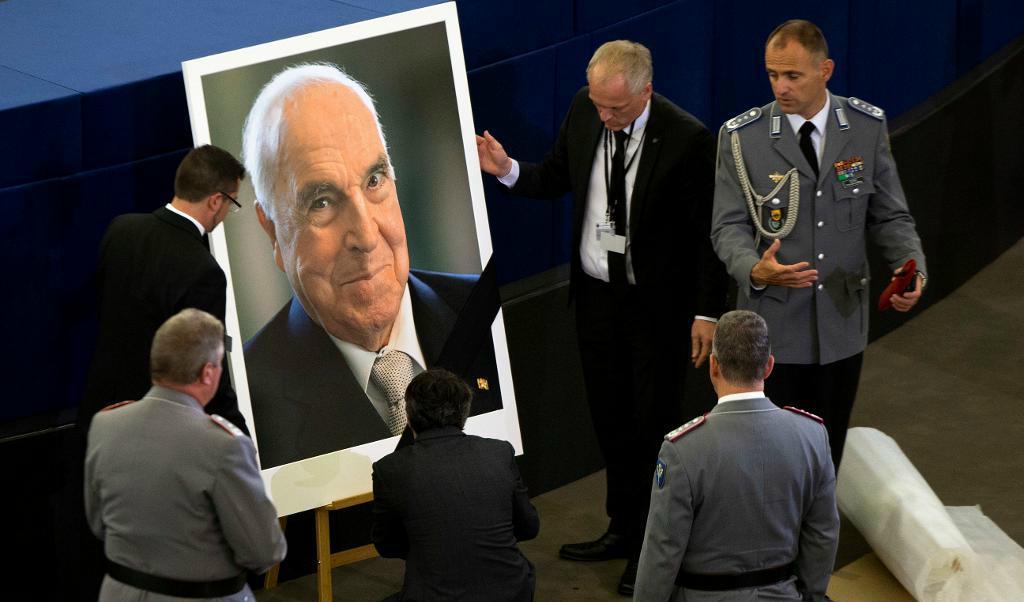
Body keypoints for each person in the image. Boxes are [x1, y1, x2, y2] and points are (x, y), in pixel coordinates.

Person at [476, 40, 728, 593]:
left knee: (654, 428)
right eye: (598, 105)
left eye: (616, 108)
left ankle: (653, 546)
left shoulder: (687, 139)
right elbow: (557, 176)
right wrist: (508, 170)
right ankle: (622, 526)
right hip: (595, 300)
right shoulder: (584, 111)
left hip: (656, 310)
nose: (605, 117)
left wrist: (708, 313)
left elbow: (710, 235)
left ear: (646, 91)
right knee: (611, 420)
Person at [241, 64, 502, 469]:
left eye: (375, 180)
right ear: (272, 231)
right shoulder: (248, 400)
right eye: (322, 202)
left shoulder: (487, 310)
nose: (365, 236)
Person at [711, 19, 928, 468]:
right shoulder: (742, 137)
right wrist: (753, 268)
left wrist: (912, 268)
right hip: (772, 328)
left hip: (841, 324)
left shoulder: (865, 128)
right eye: (772, 75)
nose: (780, 87)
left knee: (827, 456)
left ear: (825, 69)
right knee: (772, 460)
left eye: (793, 75)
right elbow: (727, 227)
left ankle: (817, 537)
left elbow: (890, 214)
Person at [66, 144, 249, 600]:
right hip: (155, 435)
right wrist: (238, 436)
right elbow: (203, 367)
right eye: (232, 204)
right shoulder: (203, 271)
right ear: (216, 201)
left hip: (97, 416)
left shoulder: (120, 231)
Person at [634, 310, 838, 601]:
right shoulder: (812, 435)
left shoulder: (682, 449)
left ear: (713, 365)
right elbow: (823, 533)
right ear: (768, 366)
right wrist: (810, 594)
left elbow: (662, 552)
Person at [85, 309, 286, 601]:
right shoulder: (223, 445)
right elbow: (264, 551)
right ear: (207, 373)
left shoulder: (105, 424)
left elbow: (98, 522)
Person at [371, 369, 539, 601]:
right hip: (512, 592)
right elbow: (529, 527)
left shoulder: (389, 469)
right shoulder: (499, 452)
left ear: (408, 416)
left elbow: (387, 546)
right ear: (464, 412)